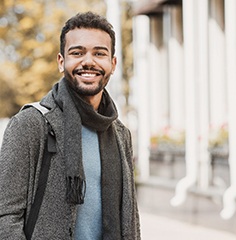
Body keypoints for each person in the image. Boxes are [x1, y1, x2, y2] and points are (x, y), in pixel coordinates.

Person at [0, 12, 140, 239]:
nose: (88, 61)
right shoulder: (30, 125)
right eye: (77, 52)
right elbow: (6, 217)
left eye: (99, 53)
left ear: (112, 64)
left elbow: (131, 218)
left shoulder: (120, 134)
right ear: (61, 61)